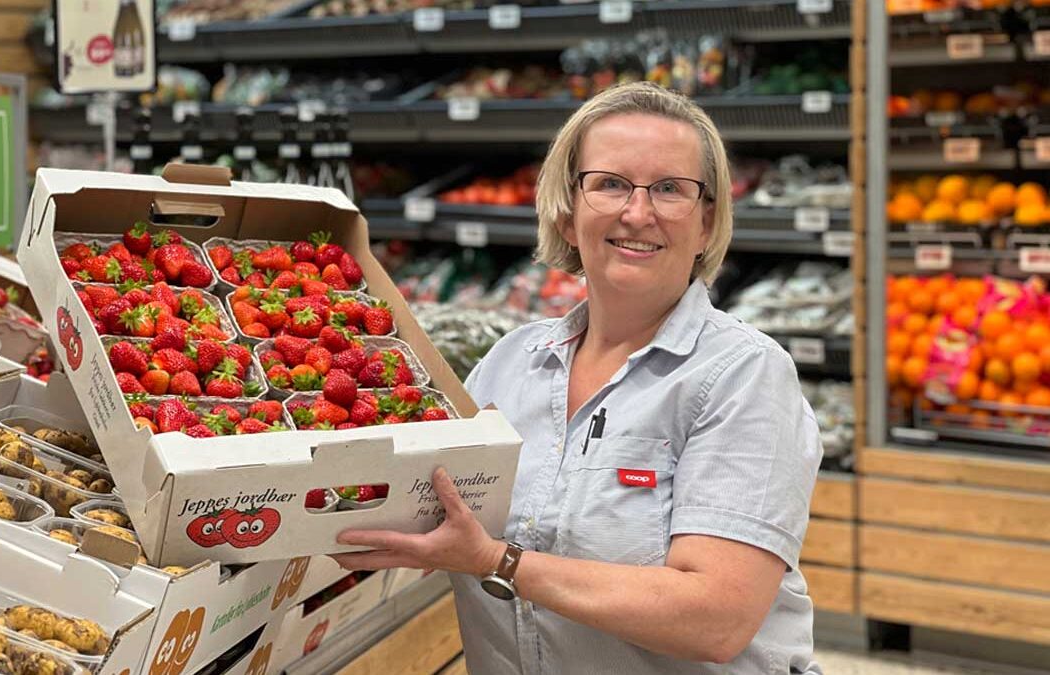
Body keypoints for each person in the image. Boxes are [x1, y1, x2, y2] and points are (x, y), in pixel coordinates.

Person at [332, 81, 823, 674]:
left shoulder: (743, 376)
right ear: (568, 213)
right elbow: (431, 513)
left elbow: (716, 617)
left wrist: (497, 560)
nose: (637, 213)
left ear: (705, 221)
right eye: (610, 184)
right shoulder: (509, 367)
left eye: (670, 189)